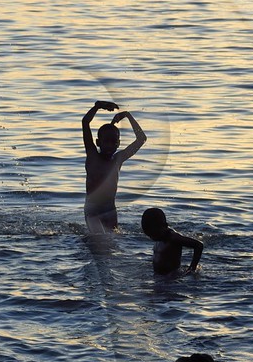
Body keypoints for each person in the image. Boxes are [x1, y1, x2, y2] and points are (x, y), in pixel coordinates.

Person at [81, 100, 146, 233]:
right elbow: (85, 122)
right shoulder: (92, 155)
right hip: (92, 210)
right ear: (98, 142)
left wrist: (128, 115)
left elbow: (141, 139)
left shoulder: (118, 159)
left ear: (118, 143)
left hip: (110, 209)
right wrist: (97, 107)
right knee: (99, 238)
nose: (110, 146)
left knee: (112, 242)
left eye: (114, 142)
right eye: (106, 142)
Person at [141, 207, 204, 275]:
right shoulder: (160, 237)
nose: (153, 238)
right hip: (159, 276)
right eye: (150, 235)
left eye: (155, 234)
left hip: (172, 278)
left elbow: (198, 245)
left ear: (165, 226)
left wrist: (192, 268)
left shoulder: (173, 238)